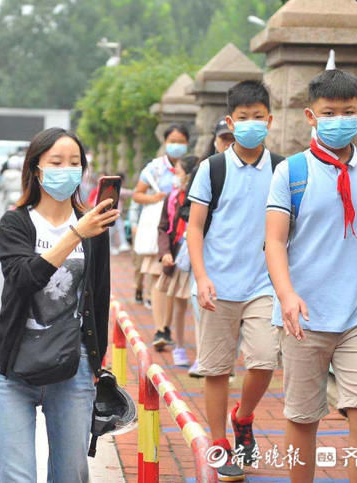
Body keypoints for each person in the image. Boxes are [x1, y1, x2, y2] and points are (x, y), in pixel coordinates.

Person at [265, 69, 357, 482]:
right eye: (329, 112)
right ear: (311, 116)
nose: (339, 119)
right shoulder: (290, 174)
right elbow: (274, 243)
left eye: (348, 111)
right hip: (302, 318)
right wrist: (287, 295)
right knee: (303, 417)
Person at [0, 128, 116, 482]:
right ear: (36, 168)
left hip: (72, 366)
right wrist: (75, 235)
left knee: (70, 475)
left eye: (74, 163)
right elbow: (23, 278)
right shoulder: (16, 222)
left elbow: (100, 295)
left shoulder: (94, 227)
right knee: (16, 476)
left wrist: (96, 359)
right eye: (56, 162)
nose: (66, 169)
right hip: (14, 364)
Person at [186, 80, 281, 481]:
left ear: (270, 120)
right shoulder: (212, 168)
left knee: (264, 358)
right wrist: (202, 276)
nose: (251, 125)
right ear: (230, 122)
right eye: (243, 119)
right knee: (217, 369)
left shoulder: (282, 168)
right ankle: (220, 442)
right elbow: (194, 227)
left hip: (264, 284)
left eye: (258, 118)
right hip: (218, 285)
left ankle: (243, 417)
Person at [133, 123, 190, 350]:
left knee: (176, 284)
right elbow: (137, 195)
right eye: (172, 141)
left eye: (180, 141)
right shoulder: (155, 168)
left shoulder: (193, 166)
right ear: (165, 142)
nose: (176, 145)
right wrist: (156, 198)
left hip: (182, 235)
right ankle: (160, 329)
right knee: (158, 278)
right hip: (161, 230)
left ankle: (168, 328)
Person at [157, 155, 198, 368]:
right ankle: (180, 348)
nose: (175, 177)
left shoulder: (201, 196)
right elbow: (163, 227)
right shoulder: (172, 198)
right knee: (180, 305)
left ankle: (203, 354)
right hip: (179, 255)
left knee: (202, 308)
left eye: (179, 173)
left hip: (199, 255)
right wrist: (165, 252)